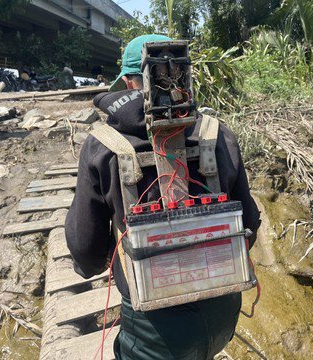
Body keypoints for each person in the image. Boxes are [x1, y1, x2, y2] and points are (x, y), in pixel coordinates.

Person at [65, 34, 261, 360]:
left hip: (155, 330)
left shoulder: (102, 146)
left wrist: (94, 266)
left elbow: (86, 248)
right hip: (223, 312)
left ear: (129, 81)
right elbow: (249, 225)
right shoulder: (218, 132)